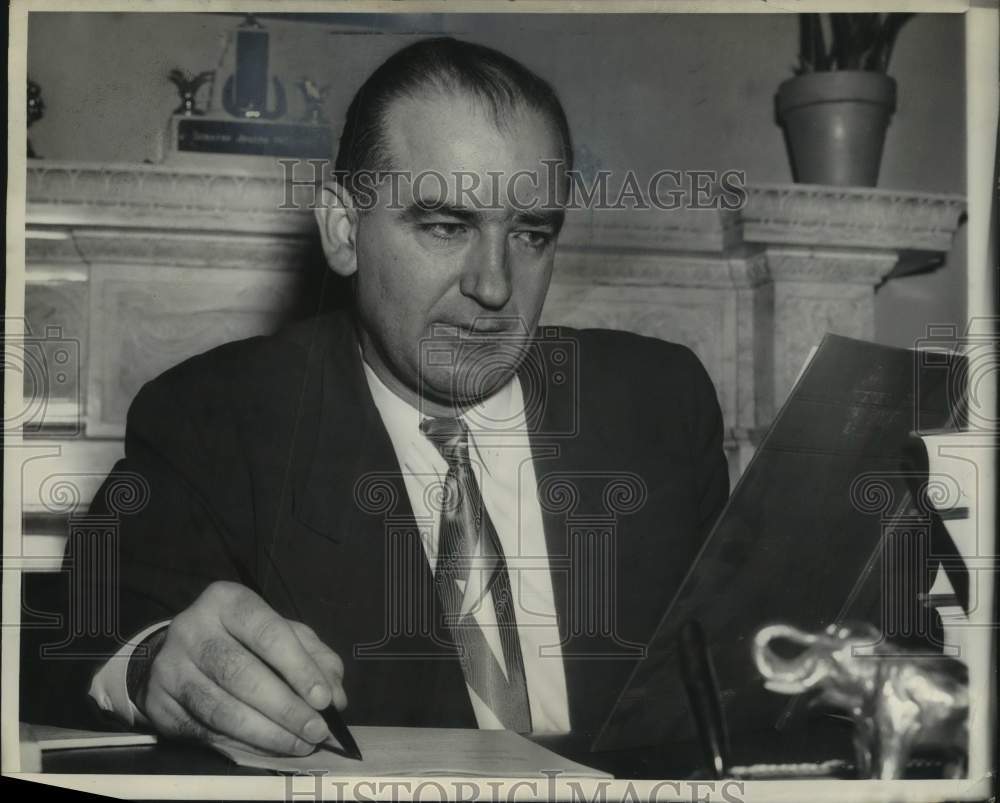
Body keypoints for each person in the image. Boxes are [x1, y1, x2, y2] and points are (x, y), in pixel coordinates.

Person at [30, 37, 729, 763]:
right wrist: (152, 668)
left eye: (529, 233)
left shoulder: (662, 402)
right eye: (445, 225)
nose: (493, 285)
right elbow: (68, 637)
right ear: (343, 230)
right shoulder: (216, 419)